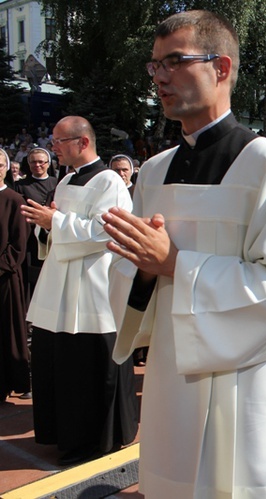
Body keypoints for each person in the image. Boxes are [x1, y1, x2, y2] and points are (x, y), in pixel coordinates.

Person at [102, 11, 266, 497]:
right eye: (154, 65)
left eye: (175, 61)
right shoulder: (153, 171)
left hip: (246, 386)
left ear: (220, 67)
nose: (160, 77)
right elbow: (132, 271)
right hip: (172, 378)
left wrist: (177, 264)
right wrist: (140, 269)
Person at [20, 116, 138, 466]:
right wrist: (48, 226)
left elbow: (108, 231)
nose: (52, 146)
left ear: (82, 142)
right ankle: (63, 432)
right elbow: (56, 229)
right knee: (59, 361)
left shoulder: (110, 182)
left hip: (92, 287)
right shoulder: (67, 179)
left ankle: (95, 438)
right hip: (58, 284)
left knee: (89, 364)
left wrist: (53, 221)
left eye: (58, 141)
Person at [0, 149, 31, 402]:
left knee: (6, 334)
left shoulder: (14, 199)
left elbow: (18, 246)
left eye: (0, 165)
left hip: (5, 279)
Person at [14, 148, 58, 300]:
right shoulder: (20, 185)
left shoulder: (57, 183)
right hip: (30, 239)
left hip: (54, 237)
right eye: (33, 162)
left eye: (41, 162)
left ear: (48, 163)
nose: (37, 165)